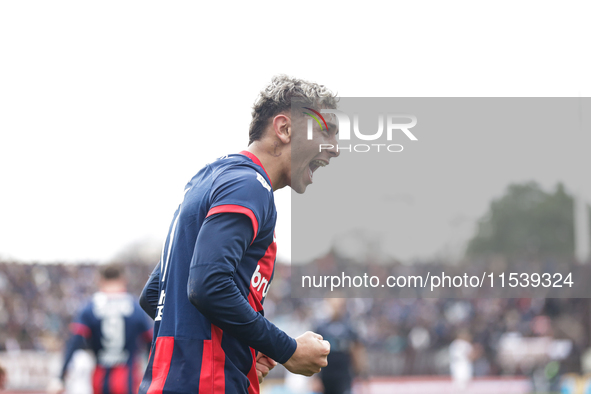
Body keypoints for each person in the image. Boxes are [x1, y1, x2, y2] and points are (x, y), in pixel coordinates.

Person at [138, 75, 340, 394]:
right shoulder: (249, 186)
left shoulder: (209, 179)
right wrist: (287, 349)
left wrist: (245, 343)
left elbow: (154, 294)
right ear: (285, 129)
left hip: (171, 382)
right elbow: (208, 284)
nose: (336, 150)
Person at [48, 264, 153, 394]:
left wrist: (60, 377)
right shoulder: (135, 307)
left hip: (101, 377)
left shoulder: (89, 307)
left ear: (100, 280)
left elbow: (75, 342)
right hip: (128, 377)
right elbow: (151, 341)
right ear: (123, 279)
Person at [314, 298, 367, 394]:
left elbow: (357, 350)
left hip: (344, 375)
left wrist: (360, 371)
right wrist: (315, 377)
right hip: (326, 375)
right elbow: (315, 353)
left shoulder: (349, 327)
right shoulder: (321, 328)